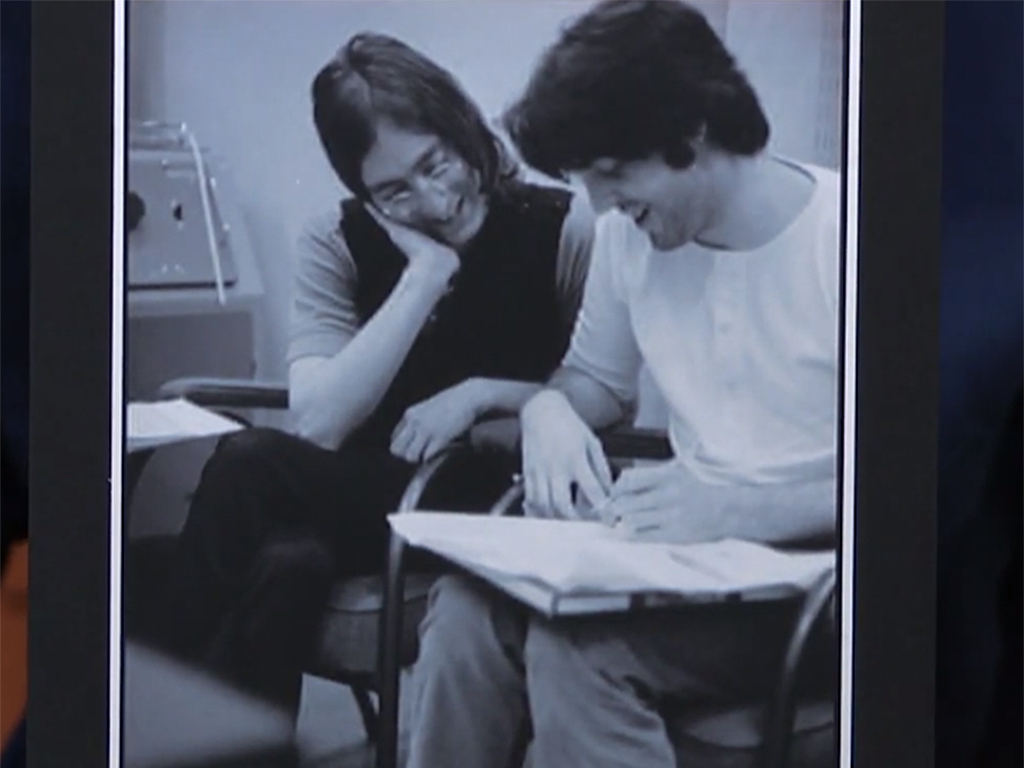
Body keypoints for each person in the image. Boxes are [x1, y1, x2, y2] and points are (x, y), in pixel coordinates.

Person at [406, 2, 841, 767]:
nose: (600, 203)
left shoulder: (851, 239)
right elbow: (596, 383)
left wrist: (742, 509)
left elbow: (922, 485)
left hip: (821, 582)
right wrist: (548, 408)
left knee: (582, 650)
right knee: (467, 612)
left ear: (692, 134)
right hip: (686, 559)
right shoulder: (626, 241)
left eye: (611, 174)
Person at [151, 32, 595, 722]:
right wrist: (425, 277)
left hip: (501, 493)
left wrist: (483, 394)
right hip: (374, 493)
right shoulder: (336, 241)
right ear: (362, 191)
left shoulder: (563, 227)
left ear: (462, 127)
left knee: (247, 463)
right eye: (394, 191)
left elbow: (603, 401)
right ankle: (218, 742)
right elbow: (319, 423)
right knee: (288, 562)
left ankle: (144, 715)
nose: (435, 201)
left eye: (435, 164)